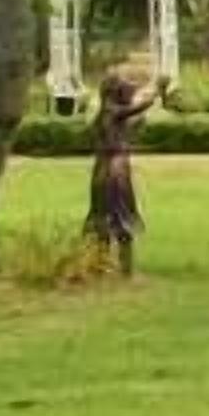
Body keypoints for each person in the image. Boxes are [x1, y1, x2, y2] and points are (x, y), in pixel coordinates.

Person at [85, 69, 156, 275]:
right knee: (114, 217)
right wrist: (156, 92)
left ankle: (117, 267)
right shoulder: (110, 110)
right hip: (112, 170)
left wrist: (137, 124)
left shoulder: (111, 113)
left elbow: (128, 126)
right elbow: (135, 109)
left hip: (111, 168)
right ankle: (108, 267)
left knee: (114, 217)